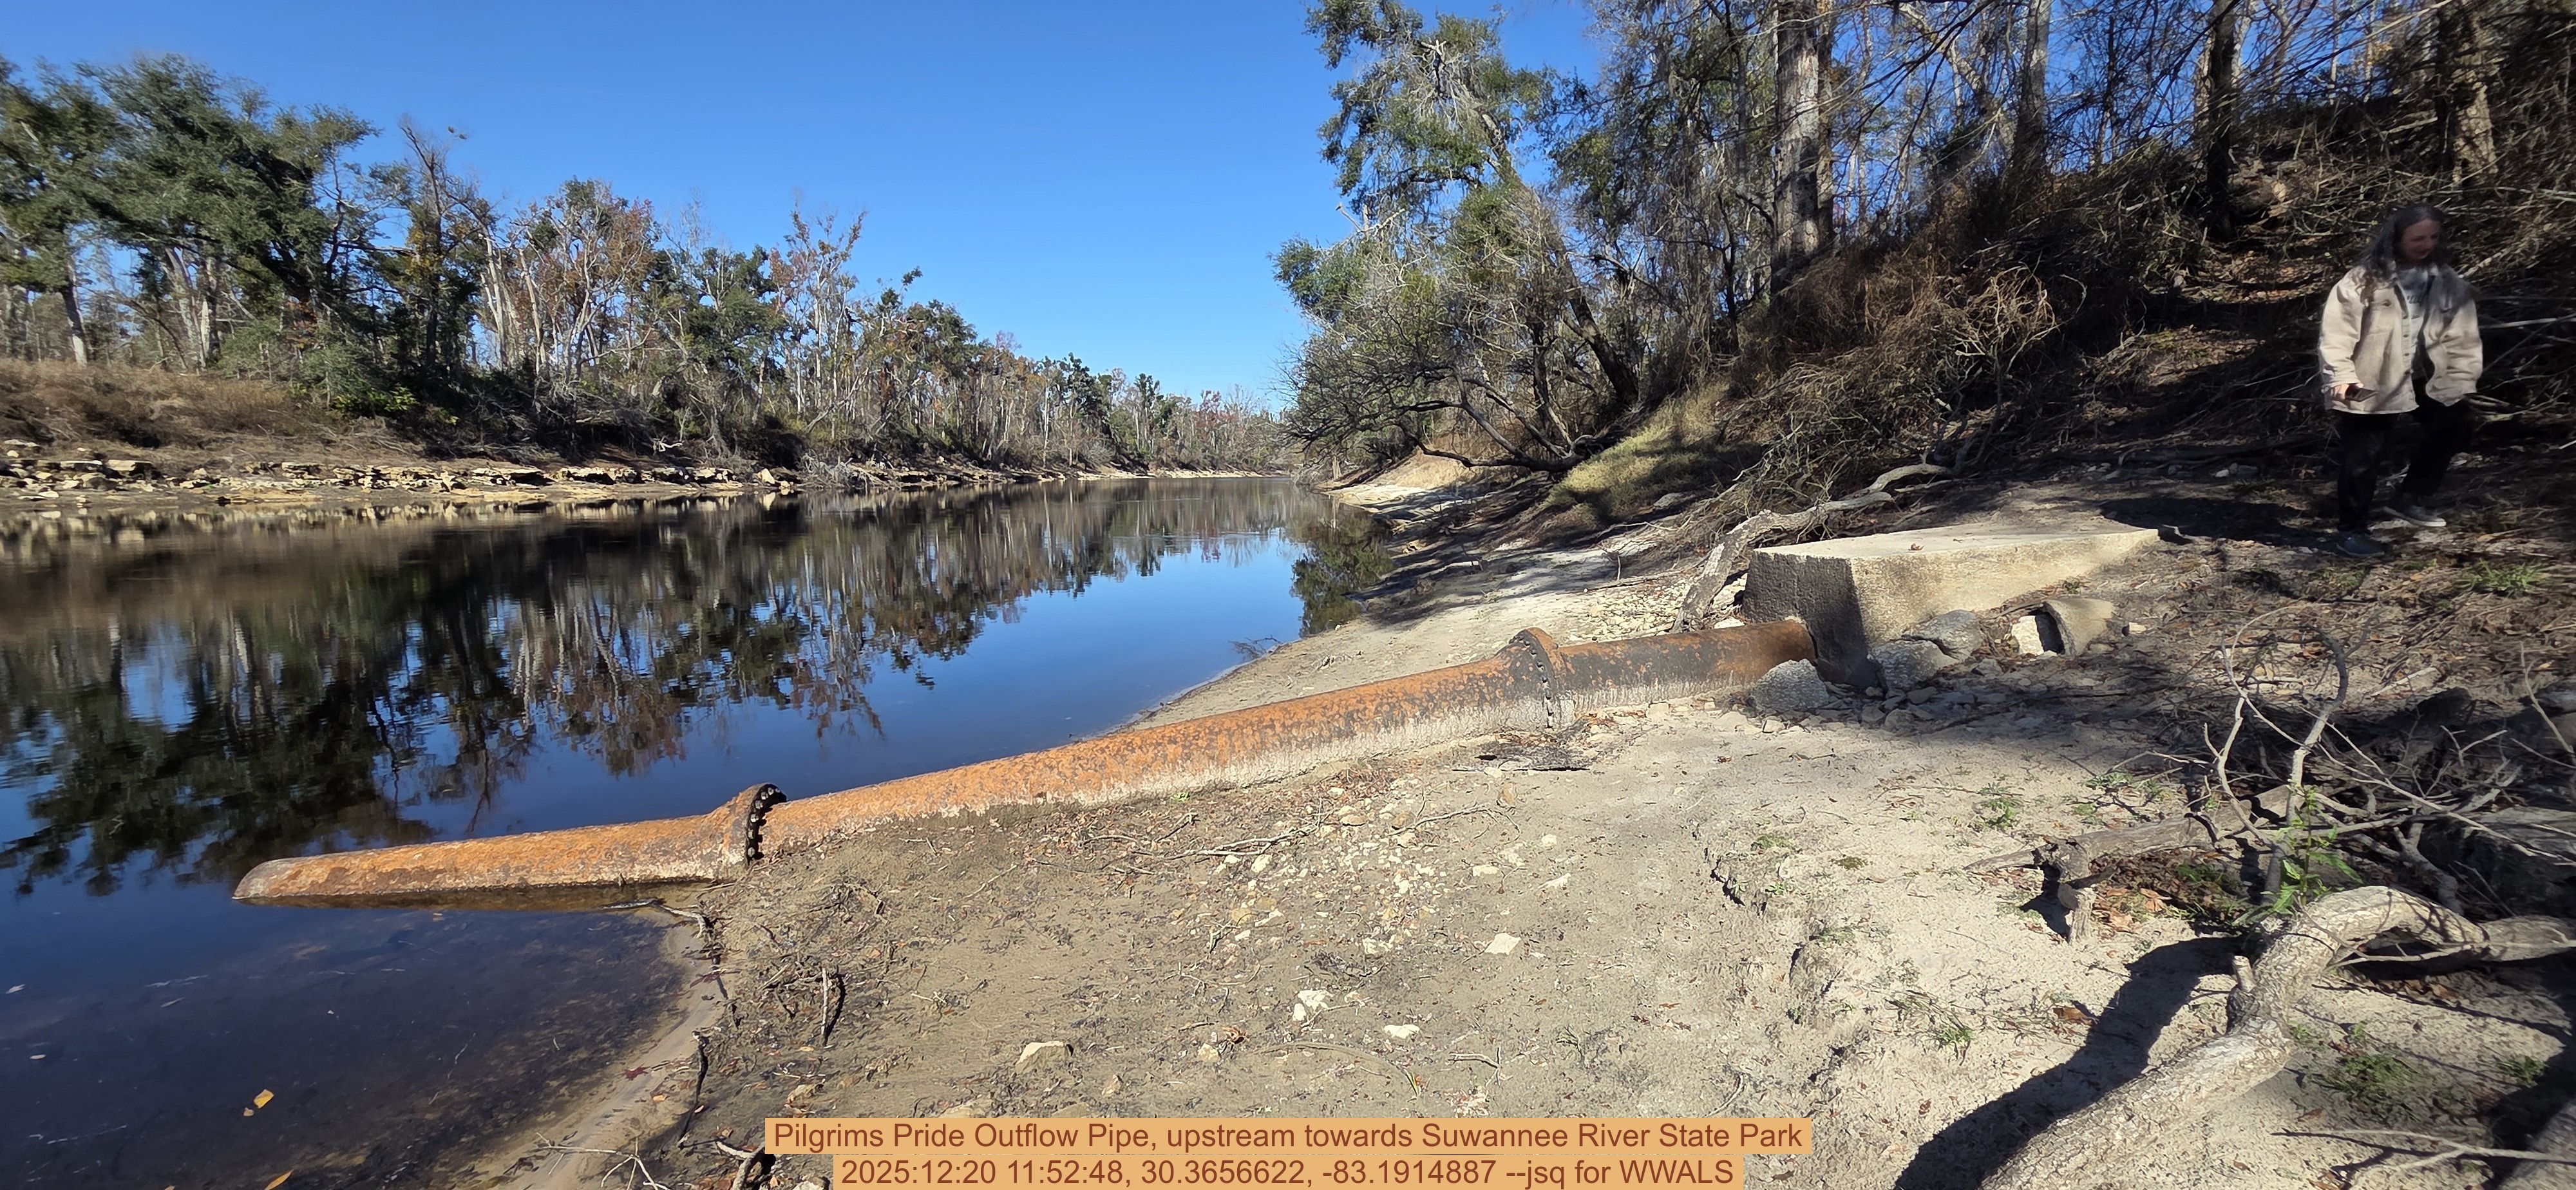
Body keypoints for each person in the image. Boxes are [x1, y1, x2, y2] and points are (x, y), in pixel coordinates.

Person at [2315, 203, 2483, 558]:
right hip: (2371, 378)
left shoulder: (2445, 279)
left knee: (2456, 424)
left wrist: (2461, 374)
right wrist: (2340, 376)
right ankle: (2351, 532)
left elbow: (2462, 332)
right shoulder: (2362, 281)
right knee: (2364, 458)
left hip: (2422, 377)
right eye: (2418, 237)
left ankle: (2410, 498)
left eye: (2433, 237)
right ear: (2397, 237)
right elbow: (2336, 334)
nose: (2426, 244)